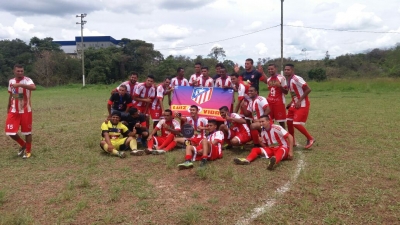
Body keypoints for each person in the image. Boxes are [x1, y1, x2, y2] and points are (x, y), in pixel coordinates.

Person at [5, 64, 36, 159]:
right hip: (14, 111)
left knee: (27, 132)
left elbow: (34, 88)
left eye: (22, 71)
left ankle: (28, 151)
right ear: (14, 71)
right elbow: (12, 94)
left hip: (26, 111)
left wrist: (20, 85)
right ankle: (23, 144)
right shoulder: (11, 81)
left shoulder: (27, 80)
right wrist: (8, 106)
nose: (20, 73)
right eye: (18, 71)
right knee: (10, 132)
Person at [284, 64, 315, 149]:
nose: (286, 71)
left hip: (302, 104)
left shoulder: (296, 78)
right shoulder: (289, 80)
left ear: (292, 70)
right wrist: (291, 102)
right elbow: (296, 93)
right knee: (289, 121)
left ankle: (310, 138)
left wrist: (299, 101)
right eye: (285, 70)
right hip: (294, 103)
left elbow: (308, 89)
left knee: (296, 123)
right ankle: (292, 140)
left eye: (288, 70)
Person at [261, 64, 288, 129]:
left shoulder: (281, 78)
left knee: (281, 121)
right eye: (269, 69)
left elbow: (286, 92)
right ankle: (272, 136)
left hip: (279, 102)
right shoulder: (268, 79)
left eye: (272, 69)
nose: (270, 70)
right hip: (270, 102)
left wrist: (280, 86)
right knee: (270, 121)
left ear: (276, 69)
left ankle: (284, 136)